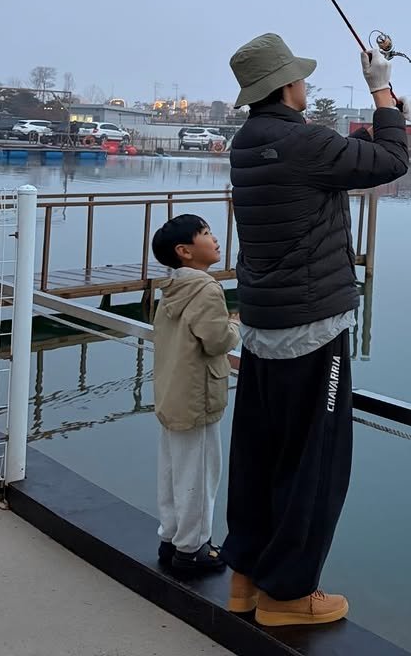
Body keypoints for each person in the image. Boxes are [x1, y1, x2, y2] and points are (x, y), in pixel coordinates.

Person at [221, 33, 409, 628]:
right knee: (314, 466)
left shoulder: (247, 144)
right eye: (300, 77)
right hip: (314, 330)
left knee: (260, 453)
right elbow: (391, 162)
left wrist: (382, 116)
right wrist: (382, 89)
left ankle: (245, 580)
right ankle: (288, 595)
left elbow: (334, 162)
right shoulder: (304, 143)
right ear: (285, 86)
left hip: (262, 326)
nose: (307, 85)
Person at [150, 214, 239, 576]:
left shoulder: (172, 288)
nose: (215, 239)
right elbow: (217, 340)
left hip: (172, 392)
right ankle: (193, 549)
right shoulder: (205, 289)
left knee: (173, 472)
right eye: (205, 234)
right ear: (185, 251)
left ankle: (170, 539)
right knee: (200, 475)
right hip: (197, 396)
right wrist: (234, 322)